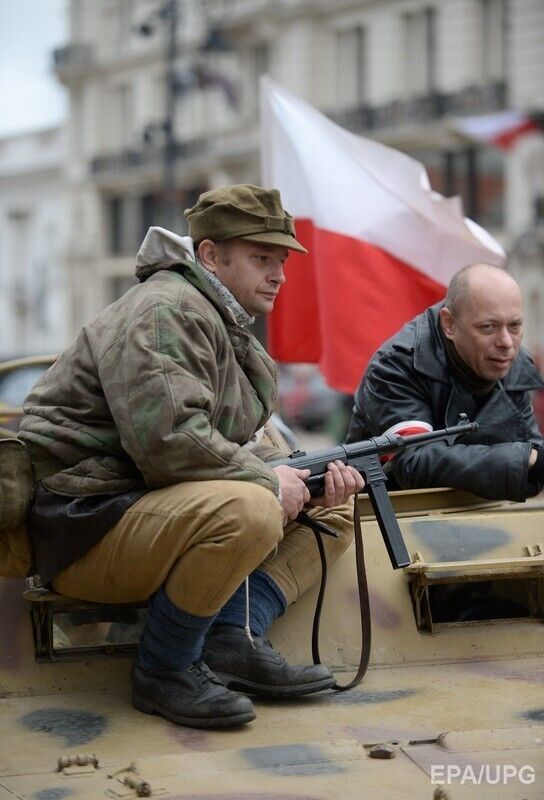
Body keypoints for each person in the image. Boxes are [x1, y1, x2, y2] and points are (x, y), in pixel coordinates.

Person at [19, 184, 363, 730]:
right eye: (260, 259)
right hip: (83, 525)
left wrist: (299, 477)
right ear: (209, 255)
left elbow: (219, 442)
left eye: (281, 260)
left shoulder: (216, 318)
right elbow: (172, 444)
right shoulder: (165, 309)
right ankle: (165, 669)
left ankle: (231, 636)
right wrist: (271, 482)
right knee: (252, 507)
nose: (279, 275)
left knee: (331, 505)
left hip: (139, 509)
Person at [346, 262, 544, 501]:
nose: (506, 342)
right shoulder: (398, 363)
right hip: (390, 518)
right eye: (488, 327)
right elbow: (413, 462)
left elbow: (534, 466)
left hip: (481, 515)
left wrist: (530, 461)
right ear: (449, 324)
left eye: (514, 326)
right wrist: (525, 460)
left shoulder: (512, 362)